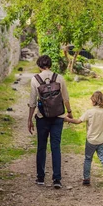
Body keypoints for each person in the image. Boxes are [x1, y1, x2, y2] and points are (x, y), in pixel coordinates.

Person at [27, 55, 73, 189]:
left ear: (39, 66)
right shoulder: (59, 78)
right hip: (58, 117)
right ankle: (57, 179)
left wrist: (30, 119)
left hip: (42, 117)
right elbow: (65, 98)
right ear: (51, 65)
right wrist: (69, 112)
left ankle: (40, 177)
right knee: (56, 147)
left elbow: (32, 102)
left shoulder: (35, 80)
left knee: (41, 147)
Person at [65, 91, 103, 189]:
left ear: (93, 100)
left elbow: (78, 121)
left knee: (88, 159)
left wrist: (68, 119)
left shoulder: (89, 112)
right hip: (101, 140)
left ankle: (86, 179)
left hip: (91, 140)